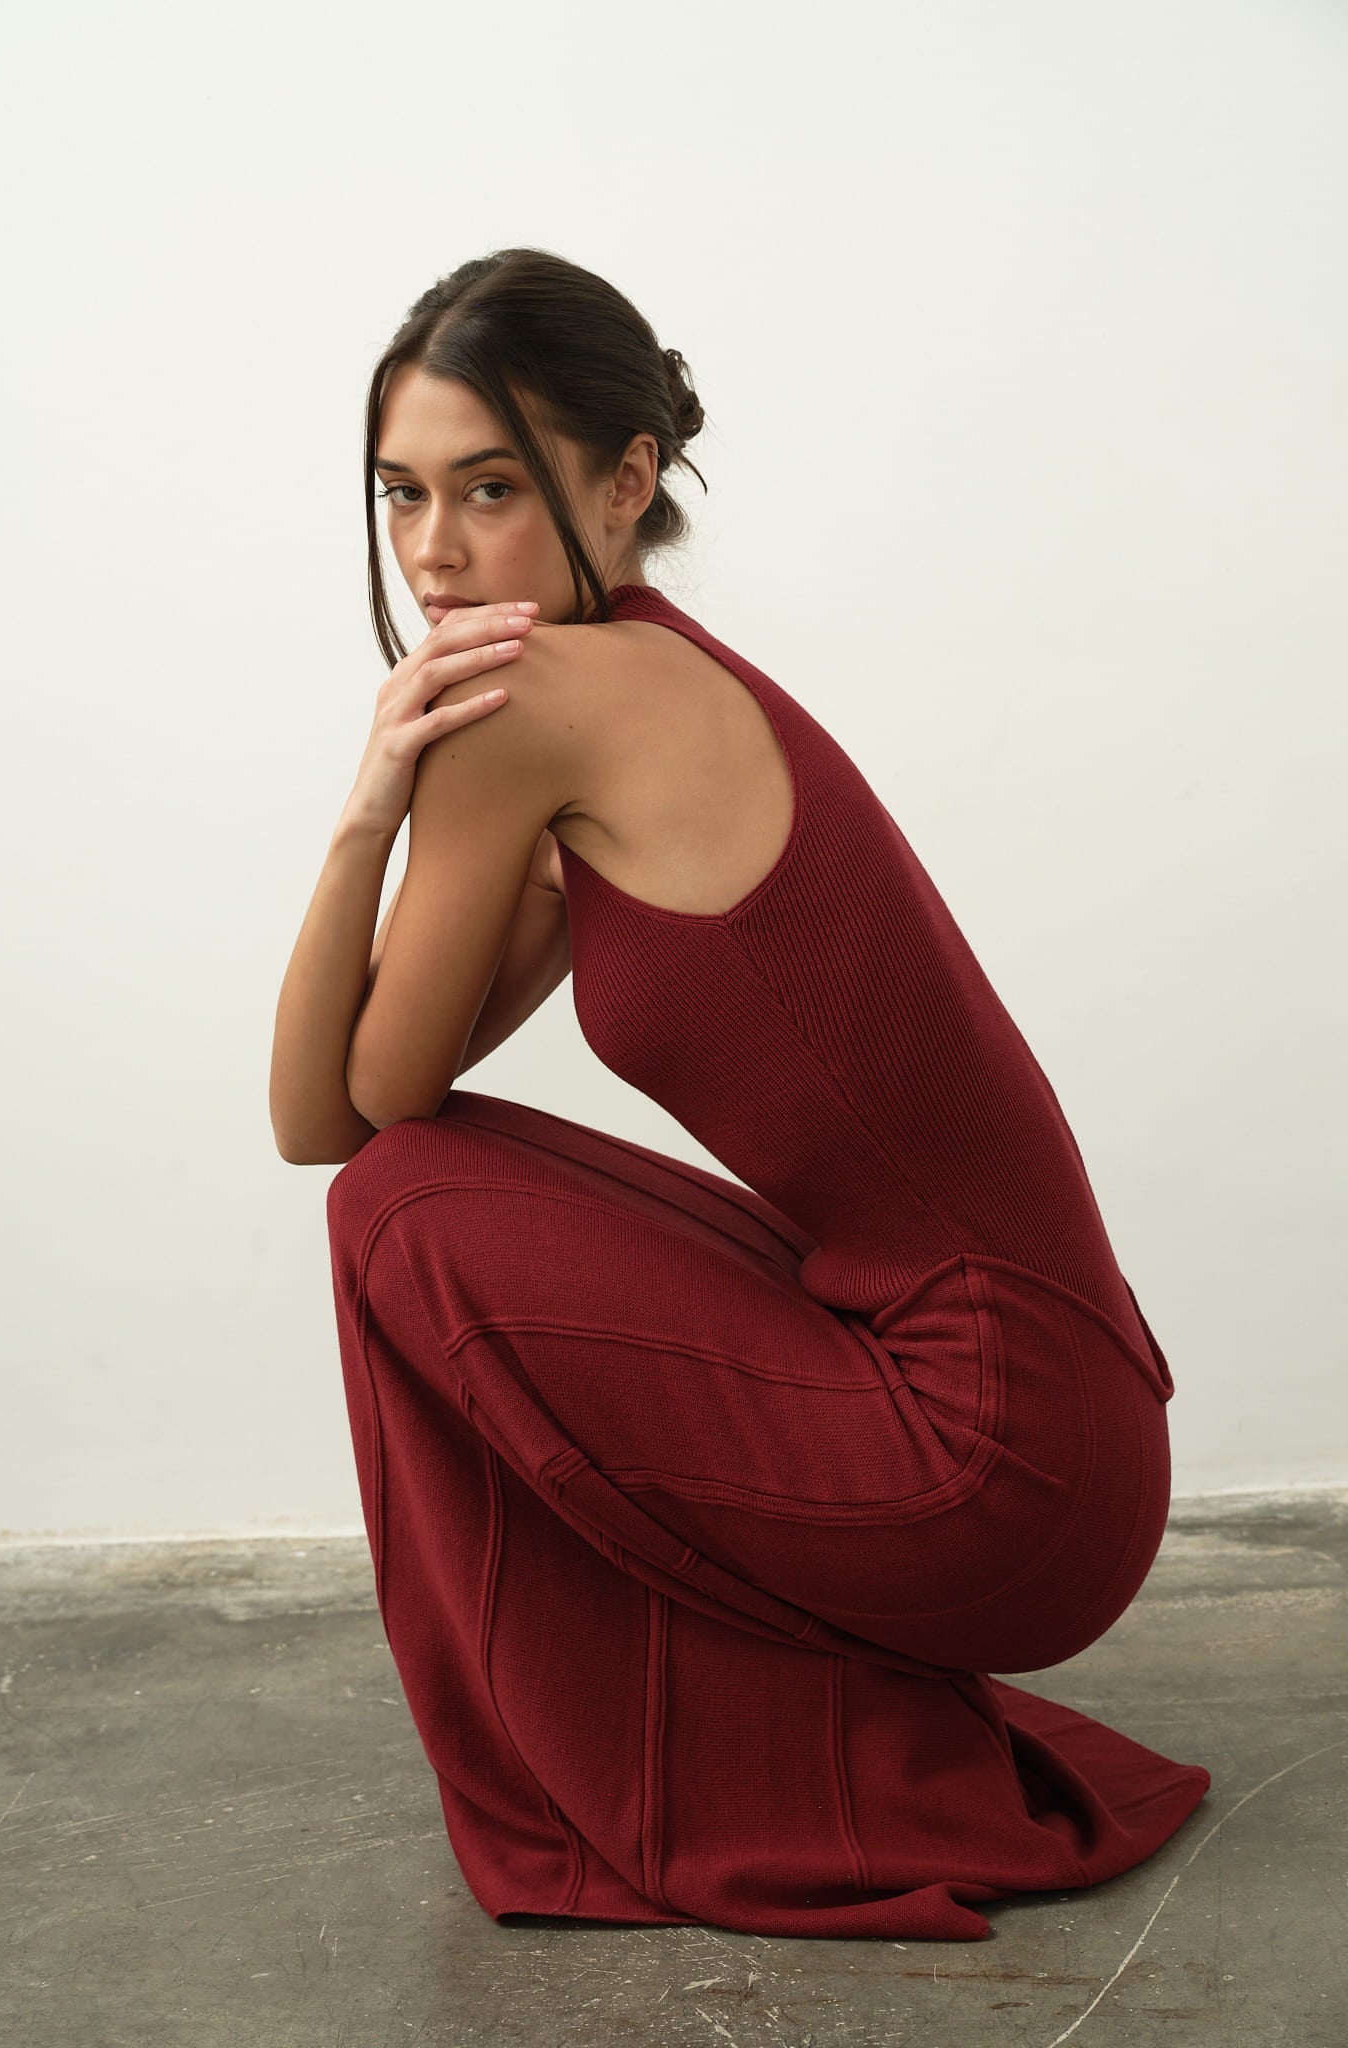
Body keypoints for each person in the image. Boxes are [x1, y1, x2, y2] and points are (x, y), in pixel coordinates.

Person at [270, 246, 1211, 1939]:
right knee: (403, 1187)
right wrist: (367, 816)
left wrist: (372, 802)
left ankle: (661, 1762)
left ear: (625, 481)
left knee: (397, 1208)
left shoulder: (534, 704)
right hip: (1064, 1428)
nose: (432, 550)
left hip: (995, 1454)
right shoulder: (633, 682)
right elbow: (332, 1110)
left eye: (491, 489)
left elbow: (351, 1123)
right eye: (401, 492)